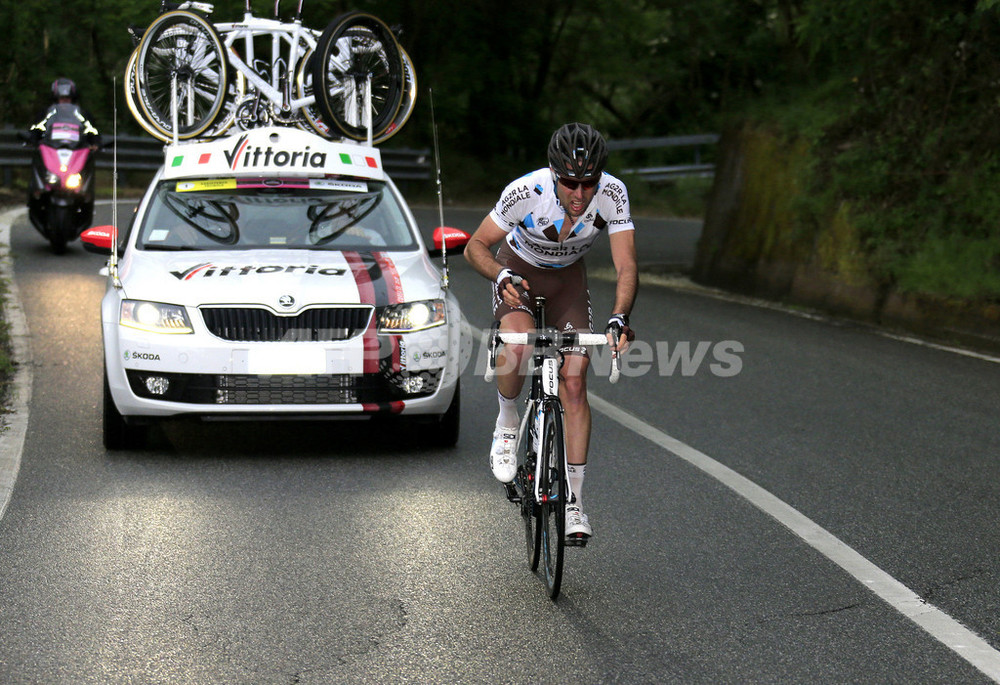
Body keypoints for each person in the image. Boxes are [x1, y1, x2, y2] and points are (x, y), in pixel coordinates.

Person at [465, 122, 638, 541]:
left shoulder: (612, 194)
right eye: (570, 183)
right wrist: (501, 273)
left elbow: (626, 265)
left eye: (588, 184)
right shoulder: (526, 191)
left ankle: (575, 502)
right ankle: (507, 423)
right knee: (519, 347)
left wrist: (619, 317)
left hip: (566, 283)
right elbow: (475, 246)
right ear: (554, 174)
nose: (580, 195)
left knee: (575, 382)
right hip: (518, 274)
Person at [27, 77, 100, 149]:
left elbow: (92, 131)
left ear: (72, 99)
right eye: (62, 98)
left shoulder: (82, 114)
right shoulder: (46, 113)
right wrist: (32, 142)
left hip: (77, 151)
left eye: (67, 98)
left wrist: (95, 143)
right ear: (56, 99)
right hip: (50, 150)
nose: (65, 101)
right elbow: (36, 130)